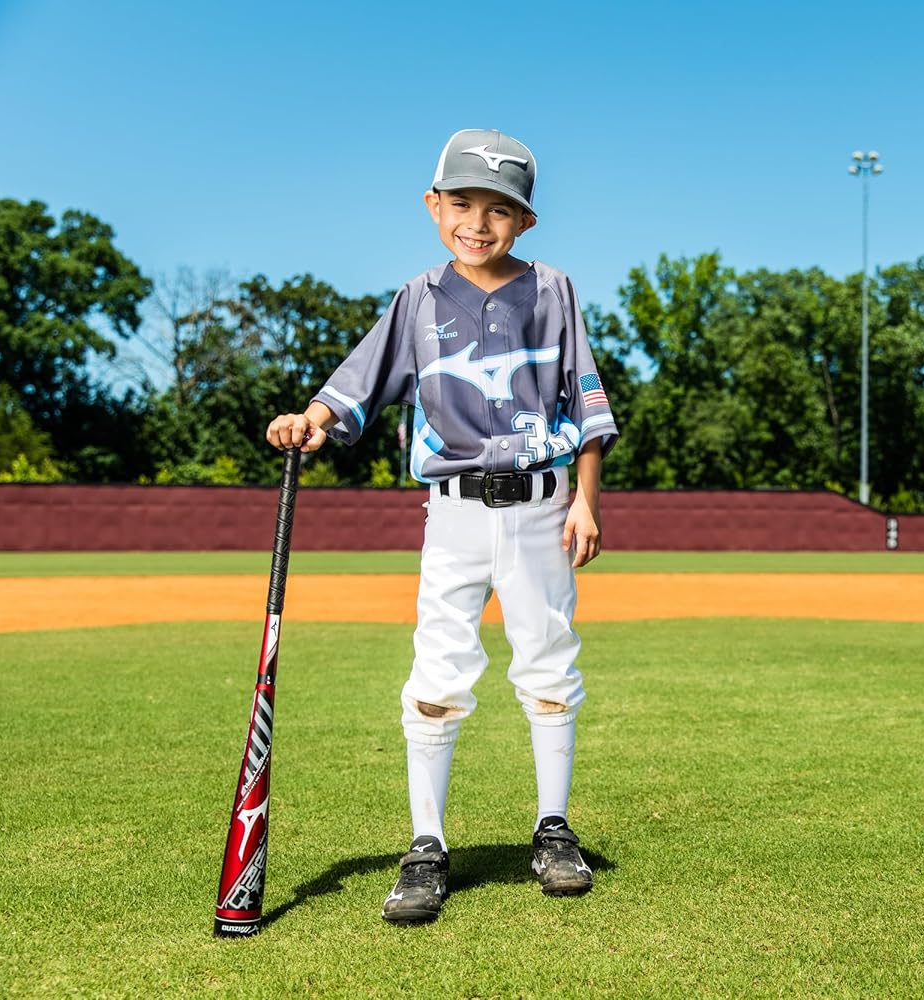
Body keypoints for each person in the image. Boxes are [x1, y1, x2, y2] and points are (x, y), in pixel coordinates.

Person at [265, 128, 618, 923]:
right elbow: (360, 379)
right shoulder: (417, 298)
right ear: (433, 206)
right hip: (454, 513)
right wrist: (312, 417)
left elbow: (585, 408)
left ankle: (552, 829)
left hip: (542, 505)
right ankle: (427, 845)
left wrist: (586, 501)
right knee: (438, 674)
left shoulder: (554, 289)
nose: (479, 223)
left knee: (550, 667)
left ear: (524, 222)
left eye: (499, 210)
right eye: (462, 203)